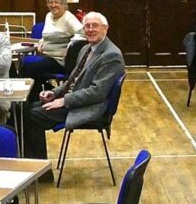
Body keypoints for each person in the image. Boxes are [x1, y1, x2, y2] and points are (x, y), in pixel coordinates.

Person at [23, 12, 125, 176]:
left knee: (31, 116)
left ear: (105, 28)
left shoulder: (111, 55)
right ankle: (28, 165)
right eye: (87, 26)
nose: (90, 30)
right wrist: (54, 92)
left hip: (89, 107)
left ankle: (40, 174)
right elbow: (73, 79)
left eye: (95, 26)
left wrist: (64, 101)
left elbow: (97, 93)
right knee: (22, 109)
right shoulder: (86, 48)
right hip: (73, 99)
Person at [21, 0, 85, 99]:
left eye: (56, 2)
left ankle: (34, 99)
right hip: (47, 56)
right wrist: (42, 41)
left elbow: (83, 34)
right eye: (50, 2)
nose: (53, 5)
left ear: (64, 4)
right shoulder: (49, 16)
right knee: (27, 67)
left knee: (28, 68)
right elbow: (47, 34)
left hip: (60, 61)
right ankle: (42, 95)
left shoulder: (68, 18)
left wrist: (70, 46)